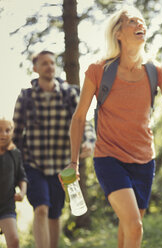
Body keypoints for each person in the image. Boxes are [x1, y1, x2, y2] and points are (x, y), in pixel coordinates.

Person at [68, 5, 162, 248]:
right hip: (109, 158)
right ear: (118, 33)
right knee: (135, 225)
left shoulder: (156, 71)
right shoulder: (98, 70)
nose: (140, 25)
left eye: (142, 22)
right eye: (133, 22)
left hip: (145, 160)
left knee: (129, 226)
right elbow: (79, 117)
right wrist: (74, 163)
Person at [12, 50, 96, 248]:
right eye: (44, 63)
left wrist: (89, 142)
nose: (49, 66)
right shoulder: (26, 98)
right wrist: (11, 167)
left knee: (55, 213)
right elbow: (15, 136)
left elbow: (83, 122)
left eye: (52, 62)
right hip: (33, 163)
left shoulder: (70, 94)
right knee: (41, 208)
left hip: (62, 165)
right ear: (35, 68)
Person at [0, 118, 27, 248]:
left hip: (6, 206)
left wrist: (22, 192)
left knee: (14, 240)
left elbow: (22, 176)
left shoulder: (14, 154)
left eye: (7, 130)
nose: (3, 134)